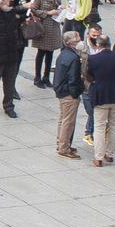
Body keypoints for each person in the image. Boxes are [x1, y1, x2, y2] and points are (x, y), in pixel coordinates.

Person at [85, 31, 115, 167]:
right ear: (109, 45)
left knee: (99, 126)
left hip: (101, 95)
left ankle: (98, 157)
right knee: (114, 125)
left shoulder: (93, 59)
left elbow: (89, 76)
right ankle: (110, 154)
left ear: (98, 45)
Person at [52, 31, 85, 159]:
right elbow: (73, 79)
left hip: (61, 91)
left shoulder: (64, 54)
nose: (80, 41)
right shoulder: (74, 58)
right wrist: (75, 93)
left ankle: (61, 143)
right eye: (78, 40)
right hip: (69, 94)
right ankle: (64, 148)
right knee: (68, 121)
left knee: (63, 119)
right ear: (71, 43)